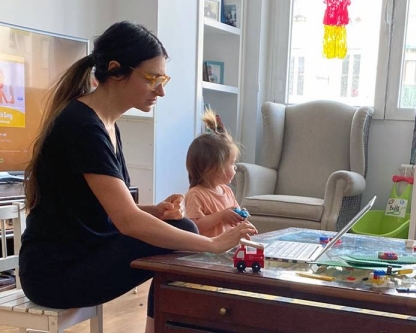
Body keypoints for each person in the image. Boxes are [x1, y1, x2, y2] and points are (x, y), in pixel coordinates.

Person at [20, 21, 256, 333]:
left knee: (178, 227)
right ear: (116, 71)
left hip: (86, 252)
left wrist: (155, 212)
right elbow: (127, 221)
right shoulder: (81, 126)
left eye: (163, 78)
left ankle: (160, 327)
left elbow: (104, 209)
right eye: (152, 78)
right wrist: (211, 244)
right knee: (183, 238)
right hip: (55, 273)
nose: (161, 89)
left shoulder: (106, 124)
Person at [184, 109, 248, 237]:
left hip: (226, 248)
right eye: (231, 163)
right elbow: (195, 225)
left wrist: (239, 216)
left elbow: (232, 216)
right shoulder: (196, 194)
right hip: (205, 252)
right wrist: (221, 216)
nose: (235, 167)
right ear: (214, 168)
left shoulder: (227, 191)